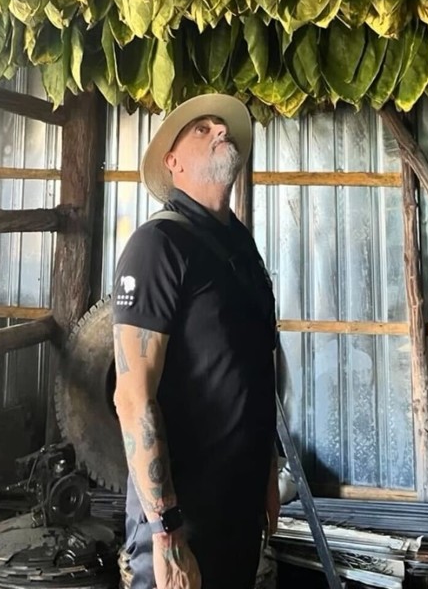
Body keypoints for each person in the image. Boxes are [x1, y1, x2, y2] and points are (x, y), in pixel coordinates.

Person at [112, 93, 279, 589]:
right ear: (173, 162)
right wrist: (165, 531)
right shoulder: (157, 246)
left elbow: (253, 365)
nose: (220, 131)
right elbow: (132, 395)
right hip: (183, 521)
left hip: (239, 507)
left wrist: (266, 473)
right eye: (202, 129)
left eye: (222, 127)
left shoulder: (240, 245)